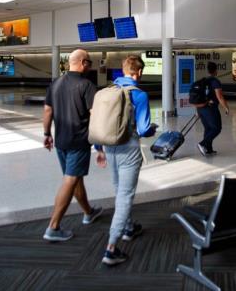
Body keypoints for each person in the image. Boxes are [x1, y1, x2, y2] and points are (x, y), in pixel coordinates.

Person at [96, 54, 157, 266]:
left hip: (108, 146)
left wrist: (99, 149)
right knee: (125, 195)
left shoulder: (107, 91)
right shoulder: (139, 95)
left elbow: (99, 122)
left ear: (123, 70)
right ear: (138, 72)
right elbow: (143, 129)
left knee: (118, 189)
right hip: (128, 149)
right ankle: (111, 248)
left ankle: (129, 227)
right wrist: (152, 129)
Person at [42, 49, 103, 242]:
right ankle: (53, 227)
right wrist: (100, 146)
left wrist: (46, 134)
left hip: (61, 141)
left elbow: (47, 111)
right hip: (78, 141)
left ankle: (88, 212)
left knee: (75, 179)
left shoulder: (55, 83)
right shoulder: (87, 85)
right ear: (83, 63)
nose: (91, 67)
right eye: (90, 63)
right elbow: (96, 116)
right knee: (70, 180)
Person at [197, 61, 229, 157]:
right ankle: (202, 144)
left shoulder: (204, 81)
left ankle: (208, 149)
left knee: (208, 128)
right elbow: (219, 97)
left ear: (208, 71)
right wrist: (226, 107)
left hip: (201, 108)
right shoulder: (215, 81)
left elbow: (199, 96)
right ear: (216, 71)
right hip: (210, 109)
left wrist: (197, 110)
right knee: (217, 128)